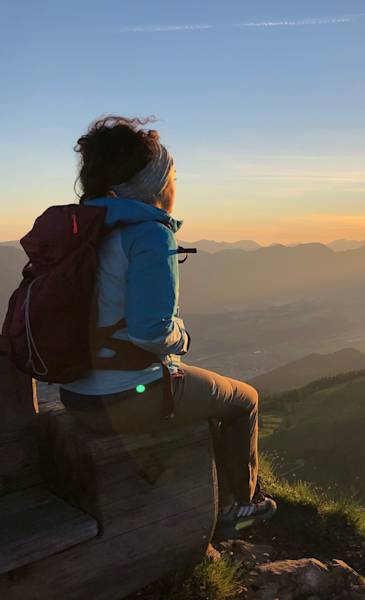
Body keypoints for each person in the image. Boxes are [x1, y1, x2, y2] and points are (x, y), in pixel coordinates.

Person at [59, 115, 276, 528]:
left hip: (75, 394)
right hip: (124, 399)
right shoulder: (150, 235)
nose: (176, 186)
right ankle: (243, 505)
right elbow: (149, 331)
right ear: (156, 185)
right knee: (244, 399)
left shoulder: (83, 228)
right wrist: (183, 337)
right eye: (173, 176)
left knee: (203, 393)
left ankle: (217, 490)